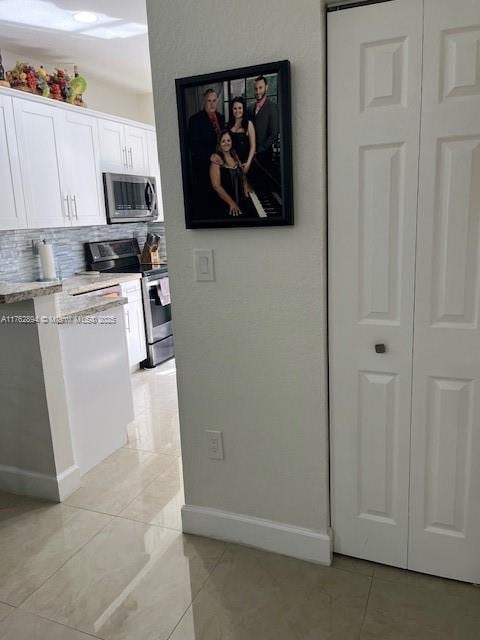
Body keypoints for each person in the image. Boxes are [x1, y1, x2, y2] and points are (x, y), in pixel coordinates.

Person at [188, 88, 225, 211]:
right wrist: (210, 155)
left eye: (214, 100)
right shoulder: (195, 120)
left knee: (220, 201)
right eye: (209, 101)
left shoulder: (221, 118)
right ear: (204, 101)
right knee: (207, 204)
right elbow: (193, 146)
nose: (212, 104)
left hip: (220, 167)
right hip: (203, 168)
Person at [209, 130, 255, 218]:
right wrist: (231, 203)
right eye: (223, 141)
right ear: (219, 143)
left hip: (240, 199)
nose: (226, 143)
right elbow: (217, 186)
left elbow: (242, 173)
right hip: (226, 202)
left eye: (228, 140)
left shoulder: (234, 155)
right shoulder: (216, 161)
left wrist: (245, 184)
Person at [249, 75, 279, 172]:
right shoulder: (250, 107)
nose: (258, 91)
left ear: (266, 87)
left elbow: (274, 134)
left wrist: (259, 149)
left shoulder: (272, 107)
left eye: (260, 88)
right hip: (250, 154)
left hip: (264, 155)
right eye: (256, 88)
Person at [228, 96, 256, 178]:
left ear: (243, 109)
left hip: (246, 163)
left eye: (240, 108)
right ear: (232, 110)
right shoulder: (228, 126)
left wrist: (248, 163)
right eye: (235, 108)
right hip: (233, 164)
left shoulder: (248, 124)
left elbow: (253, 147)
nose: (237, 111)